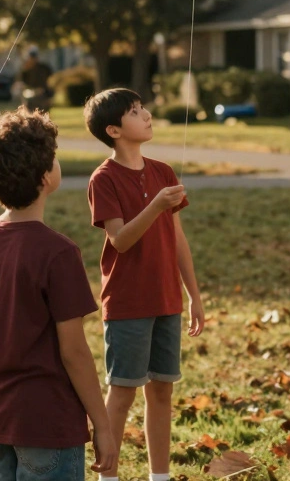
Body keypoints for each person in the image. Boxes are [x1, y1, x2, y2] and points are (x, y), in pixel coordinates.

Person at [0, 109, 118, 481]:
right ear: (47, 177)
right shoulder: (59, 253)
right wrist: (103, 425)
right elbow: (75, 351)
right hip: (49, 422)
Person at [82, 88, 204, 481]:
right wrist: (155, 206)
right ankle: (108, 476)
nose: (147, 114)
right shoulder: (103, 179)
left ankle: (160, 475)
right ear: (114, 130)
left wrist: (193, 295)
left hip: (167, 298)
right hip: (128, 303)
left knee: (163, 392)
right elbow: (119, 240)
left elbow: (179, 239)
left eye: (143, 107)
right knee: (122, 392)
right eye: (136, 112)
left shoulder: (163, 171)